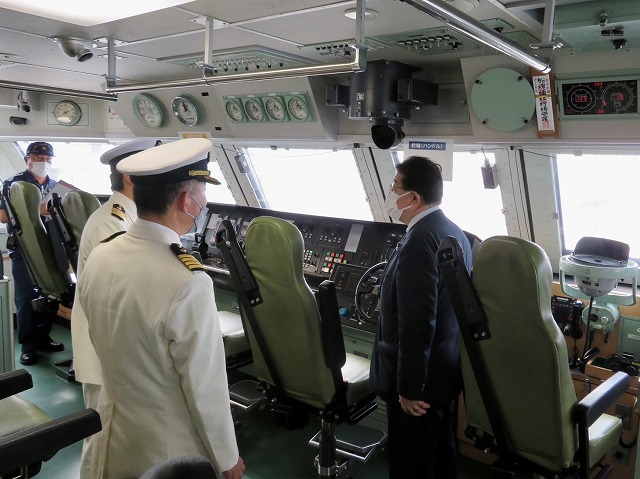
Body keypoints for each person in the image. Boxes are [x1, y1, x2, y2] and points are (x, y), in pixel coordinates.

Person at [77, 138, 245, 479]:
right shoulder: (187, 281)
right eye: (202, 192)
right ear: (185, 200)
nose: (204, 202)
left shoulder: (102, 254)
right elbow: (205, 388)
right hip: (165, 452)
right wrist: (228, 458)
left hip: (109, 438)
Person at [369, 156, 473, 479]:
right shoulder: (454, 232)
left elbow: (417, 321)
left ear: (413, 198)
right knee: (441, 457)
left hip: (419, 386)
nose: (390, 193)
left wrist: (410, 388)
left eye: (394, 186)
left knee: (411, 465)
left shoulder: (418, 242)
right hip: (444, 373)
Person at [71, 138, 161, 479]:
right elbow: (116, 295)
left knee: (114, 438)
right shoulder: (112, 221)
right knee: (100, 437)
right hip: (103, 351)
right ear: (131, 178)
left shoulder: (128, 216)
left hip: (110, 348)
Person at [0, 141, 64, 365]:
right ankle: (28, 345)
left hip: (50, 246)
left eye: (47, 159)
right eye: (37, 158)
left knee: (53, 293)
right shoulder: (13, 183)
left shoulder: (55, 185)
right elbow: (3, 216)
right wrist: (37, 210)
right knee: (26, 296)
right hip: (23, 248)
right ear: (27, 160)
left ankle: (43, 337)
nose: (42, 162)